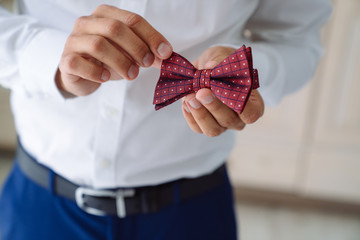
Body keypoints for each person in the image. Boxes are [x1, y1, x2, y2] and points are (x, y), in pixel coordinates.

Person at [0, 0, 331, 239]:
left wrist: (245, 75)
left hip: (191, 213)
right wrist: (47, 56)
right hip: (40, 205)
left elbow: (297, 41)